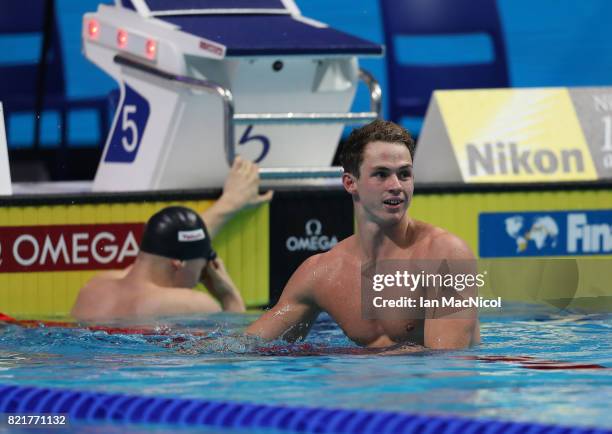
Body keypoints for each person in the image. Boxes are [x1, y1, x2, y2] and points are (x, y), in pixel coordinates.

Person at [246, 120, 480, 350]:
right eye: (381, 174)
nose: (396, 185)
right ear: (350, 183)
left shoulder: (445, 255)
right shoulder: (323, 274)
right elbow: (245, 348)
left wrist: (347, 358)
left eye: (405, 174)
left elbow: (447, 365)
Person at [71, 157, 273, 321]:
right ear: (178, 264)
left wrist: (229, 203)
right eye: (202, 270)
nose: (202, 277)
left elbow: (155, 259)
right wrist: (229, 297)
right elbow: (238, 347)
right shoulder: (191, 304)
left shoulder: (94, 288)